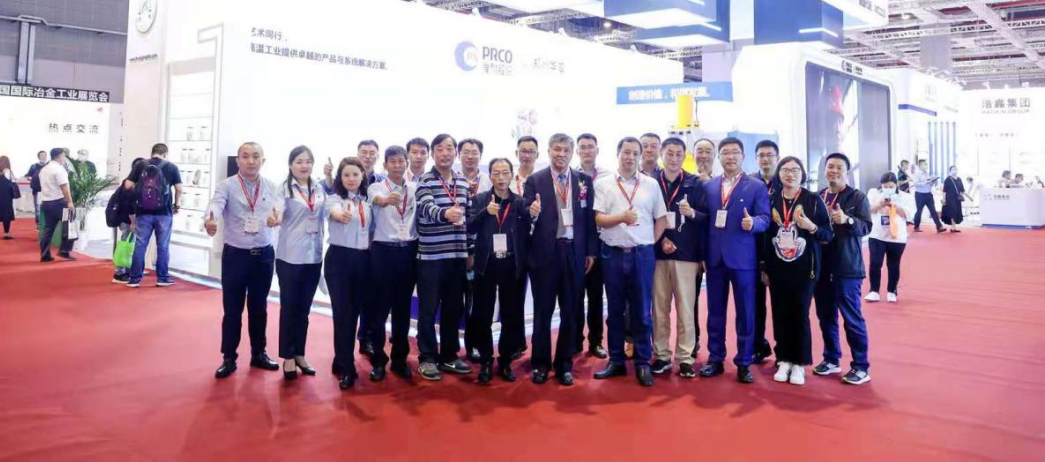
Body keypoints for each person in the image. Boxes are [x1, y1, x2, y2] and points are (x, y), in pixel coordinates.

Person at [592, 136, 667, 387]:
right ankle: (616, 360)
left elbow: (661, 218)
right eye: (626, 152)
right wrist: (622, 218)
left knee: (642, 311)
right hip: (612, 253)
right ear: (618, 154)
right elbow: (599, 219)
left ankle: (643, 362)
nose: (631, 157)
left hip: (642, 255)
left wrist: (648, 242)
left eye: (635, 153)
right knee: (614, 311)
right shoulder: (603, 184)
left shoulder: (651, 184)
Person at [523, 133, 597, 386]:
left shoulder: (583, 181)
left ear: (572, 152)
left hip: (574, 252)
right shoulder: (535, 180)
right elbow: (525, 215)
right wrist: (531, 211)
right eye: (557, 149)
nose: (561, 154)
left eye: (566, 150)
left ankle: (564, 363)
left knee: (571, 310)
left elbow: (589, 220)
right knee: (543, 312)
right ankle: (540, 364)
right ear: (548, 151)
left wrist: (590, 252)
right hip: (546, 253)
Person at [206, 142, 284, 379]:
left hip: (263, 256)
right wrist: (210, 220)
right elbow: (215, 205)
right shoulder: (226, 186)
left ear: (263, 160)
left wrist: (277, 220)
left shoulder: (271, 186)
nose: (251, 161)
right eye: (246, 156)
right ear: (238, 160)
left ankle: (259, 353)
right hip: (235, 257)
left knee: (259, 309)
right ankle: (229, 357)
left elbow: (279, 211)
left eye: (256, 156)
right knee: (232, 310)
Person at [700, 137, 771, 384]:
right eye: (725, 153)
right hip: (715, 259)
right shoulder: (709, 186)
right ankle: (715, 358)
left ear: (743, 156)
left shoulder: (756, 186)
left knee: (746, 312)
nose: (730, 157)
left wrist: (754, 223)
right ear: (719, 157)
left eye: (735, 152)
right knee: (715, 312)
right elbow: (705, 220)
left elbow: (765, 218)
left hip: (743, 259)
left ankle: (744, 361)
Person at [763, 157, 833, 386]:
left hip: (805, 269)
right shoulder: (771, 199)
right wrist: (764, 267)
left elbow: (828, 234)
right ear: (779, 174)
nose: (790, 174)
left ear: (802, 174)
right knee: (780, 313)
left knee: (800, 314)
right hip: (777, 268)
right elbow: (764, 236)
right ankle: (783, 359)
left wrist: (811, 227)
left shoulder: (813, 200)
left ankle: (800, 362)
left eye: (795, 170)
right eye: (785, 170)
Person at [415, 134, 473, 381]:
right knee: (428, 309)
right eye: (440, 149)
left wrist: (470, 251)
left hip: (457, 256)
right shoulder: (425, 181)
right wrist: (445, 214)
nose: (446, 153)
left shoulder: (463, 182)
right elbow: (425, 209)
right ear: (433, 153)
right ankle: (427, 358)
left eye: (450, 148)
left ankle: (449, 355)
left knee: (453, 308)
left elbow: (469, 218)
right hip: (431, 257)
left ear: (455, 153)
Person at [467, 157, 530, 383]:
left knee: (511, 315)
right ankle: (486, 360)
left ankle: (505, 361)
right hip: (487, 264)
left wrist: (534, 212)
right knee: (482, 314)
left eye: (505, 173)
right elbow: (469, 226)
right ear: (490, 175)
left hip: (512, 264)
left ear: (512, 175)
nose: (501, 177)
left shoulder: (520, 202)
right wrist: (485, 212)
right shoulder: (480, 199)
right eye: (496, 173)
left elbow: (529, 227)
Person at [814, 153, 873, 385]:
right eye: (830, 166)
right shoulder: (818, 197)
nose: (834, 171)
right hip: (822, 267)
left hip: (847, 267)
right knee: (825, 316)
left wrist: (847, 220)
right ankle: (831, 358)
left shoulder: (857, 197)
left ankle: (860, 366)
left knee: (852, 317)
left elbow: (866, 227)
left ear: (847, 172)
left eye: (839, 167)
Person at [650, 138, 706, 379]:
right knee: (659, 308)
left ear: (684, 156)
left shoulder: (695, 183)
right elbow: (645, 216)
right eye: (669, 153)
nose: (673, 158)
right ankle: (661, 355)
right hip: (657, 254)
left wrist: (691, 212)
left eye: (678, 154)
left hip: (687, 255)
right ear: (661, 155)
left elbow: (706, 217)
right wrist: (660, 239)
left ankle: (685, 358)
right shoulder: (651, 182)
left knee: (685, 309)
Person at [367, 146, 418, 381]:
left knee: (403, 310)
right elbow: (376, 199)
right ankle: (378, 359)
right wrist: (386, 200)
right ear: (385, 165)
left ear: (406, 163)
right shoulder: (376, 187)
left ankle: (399, 359)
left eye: (401, 161)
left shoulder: (415, 188)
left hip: (408, 252)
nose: (397, 165)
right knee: (379, 310)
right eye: (393, 162)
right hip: (383, 252)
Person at [276, 146, 325, 381]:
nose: (304, 166)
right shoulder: (284, 189)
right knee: (289, 307)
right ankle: (287, 356)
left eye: (307, 161)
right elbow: (277, 211)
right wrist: (274, 218)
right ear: (290, 165)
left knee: (304, 309)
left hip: (313, 256)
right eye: (298, 161)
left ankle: (300, 354)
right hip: (290, 257)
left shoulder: (319, 188)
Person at [323, 157, 371, 389]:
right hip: (339, 260)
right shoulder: (334, 199)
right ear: (340, 178)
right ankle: (347, 367)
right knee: (342, 314)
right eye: (346, 175)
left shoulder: (367, 201)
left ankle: (340, 357)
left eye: (355, 174)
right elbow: (333, 211)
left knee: (354, 314)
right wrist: (340, 215)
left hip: (363, 260)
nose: (351, 179)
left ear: (362, 176)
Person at [127, 143, 183, 288]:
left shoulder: (140, 165)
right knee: (163, 246)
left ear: (152, 153)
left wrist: (139, 195)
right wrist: (177, 205)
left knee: (140, 245)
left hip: (143, 212)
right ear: (165, 154)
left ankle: (134, 279)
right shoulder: (171, 167)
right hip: (164, 213)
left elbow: (127, 185)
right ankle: (162, 278)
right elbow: (179, 189)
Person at [574, 133, 609, 359]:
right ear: (577, 151)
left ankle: (596, 341)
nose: (587, 151)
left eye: (590, 147)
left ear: (597, 149)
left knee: (596, 296)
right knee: (575, 296)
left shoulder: (608, 176)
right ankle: (575, 340)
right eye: (583, 147)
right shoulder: (571, 176)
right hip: (576, 243)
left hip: (602, 240)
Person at [459, 138, 492, 363]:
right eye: (466, 152)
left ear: (481, 156)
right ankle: (449, 349)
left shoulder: (489, 181)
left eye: (475, 153)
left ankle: (475, 346)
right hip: (454, 248)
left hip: (481, 250)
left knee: (478, 303)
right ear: (459, 155)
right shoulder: (452, 180)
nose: (470, 156)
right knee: (454, 302)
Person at [752, 140, 783, 364]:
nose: (765, 159)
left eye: (770, 155)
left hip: (781, 253)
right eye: (761, 155)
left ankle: (784, 351)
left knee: (781, 305)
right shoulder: (749, 183)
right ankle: (757, 346)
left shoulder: (786, 183)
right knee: (755, 305)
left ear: (777, 158)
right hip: (753, 252)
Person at [865, 172, 916, 304]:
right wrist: (880, 204)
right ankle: (874, 291)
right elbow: (867, 210)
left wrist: (895, 206)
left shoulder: (905, 197)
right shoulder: (873, 193)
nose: (888, 189)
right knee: (875, 263)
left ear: (896, 185)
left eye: (891, 186)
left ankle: (891, 291)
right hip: (877, 235)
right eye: (885, 186)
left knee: (893, 264)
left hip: (897, 236)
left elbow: (909, 216)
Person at [689, 138, 715, 361]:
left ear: (715, 155)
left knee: (716, 304)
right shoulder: (688, 182)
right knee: (691, 300)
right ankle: (692, 340)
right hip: (694, 252)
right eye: (700, 151)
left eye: (708, 151)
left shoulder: (722, 183)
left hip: (719, 252)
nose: (704, 155)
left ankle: (716, 349)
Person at [110, 158, 146, 283]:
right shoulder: (130, 184)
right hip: (126, 219)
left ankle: (128, 269)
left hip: (129, 218)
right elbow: (128, 204)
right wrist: (133, 222)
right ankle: (119, 273)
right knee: (125, 244)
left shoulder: (133, 182)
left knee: (129, 244)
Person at [38, 148, 76, 262]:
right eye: (64, 156)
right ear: (59, 156)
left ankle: (45, 254)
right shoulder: (59, 169)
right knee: (70, 224)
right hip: (59, 202)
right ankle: (64, 250)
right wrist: (70, 202)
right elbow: (64, 187)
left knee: (48, 229)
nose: (64, 158)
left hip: (46, 202)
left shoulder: (44, 169)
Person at [911, 159, 943, 233]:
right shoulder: (917, 174)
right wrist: (925, 182)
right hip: (920, 194)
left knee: (933, 210)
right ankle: (916, 226)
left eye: (926, 164)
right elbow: (915, 184)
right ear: (920, 165)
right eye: (924, 164)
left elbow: (929, 184)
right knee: (919, 211)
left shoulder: (926, 173)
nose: (926, 165)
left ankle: (939, 226)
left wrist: (932, 182)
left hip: (928, 194)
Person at [941, 166, 971, 233]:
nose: (954, 170)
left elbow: (962, 190)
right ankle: (952, 227)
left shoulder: (959, 179)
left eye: (955, 169)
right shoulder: (948, 179)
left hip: (957, 199)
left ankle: (954, 227)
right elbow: (944, 190)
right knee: (953, 211)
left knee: (956, 212)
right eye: (952, 169)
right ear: (950, 171)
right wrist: (944, 199)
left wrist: (969, 197)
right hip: (950, 198)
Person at [0, 156, 20, 239]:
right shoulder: (8, 171)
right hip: (6, 196)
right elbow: (13, 181)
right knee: (6, 214)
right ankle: (6, 233)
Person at [25, 151, 47, 224]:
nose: (43, 157)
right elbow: (28, 175)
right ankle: (38, 224)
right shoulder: (34, 166)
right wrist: (31, 178)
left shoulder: (48, 166)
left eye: (45, 155)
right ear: (39, 157)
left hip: (47, 190)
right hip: (37, 190)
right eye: (42, 155)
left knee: (47, 207)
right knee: (37, 207)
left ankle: (46, 223)